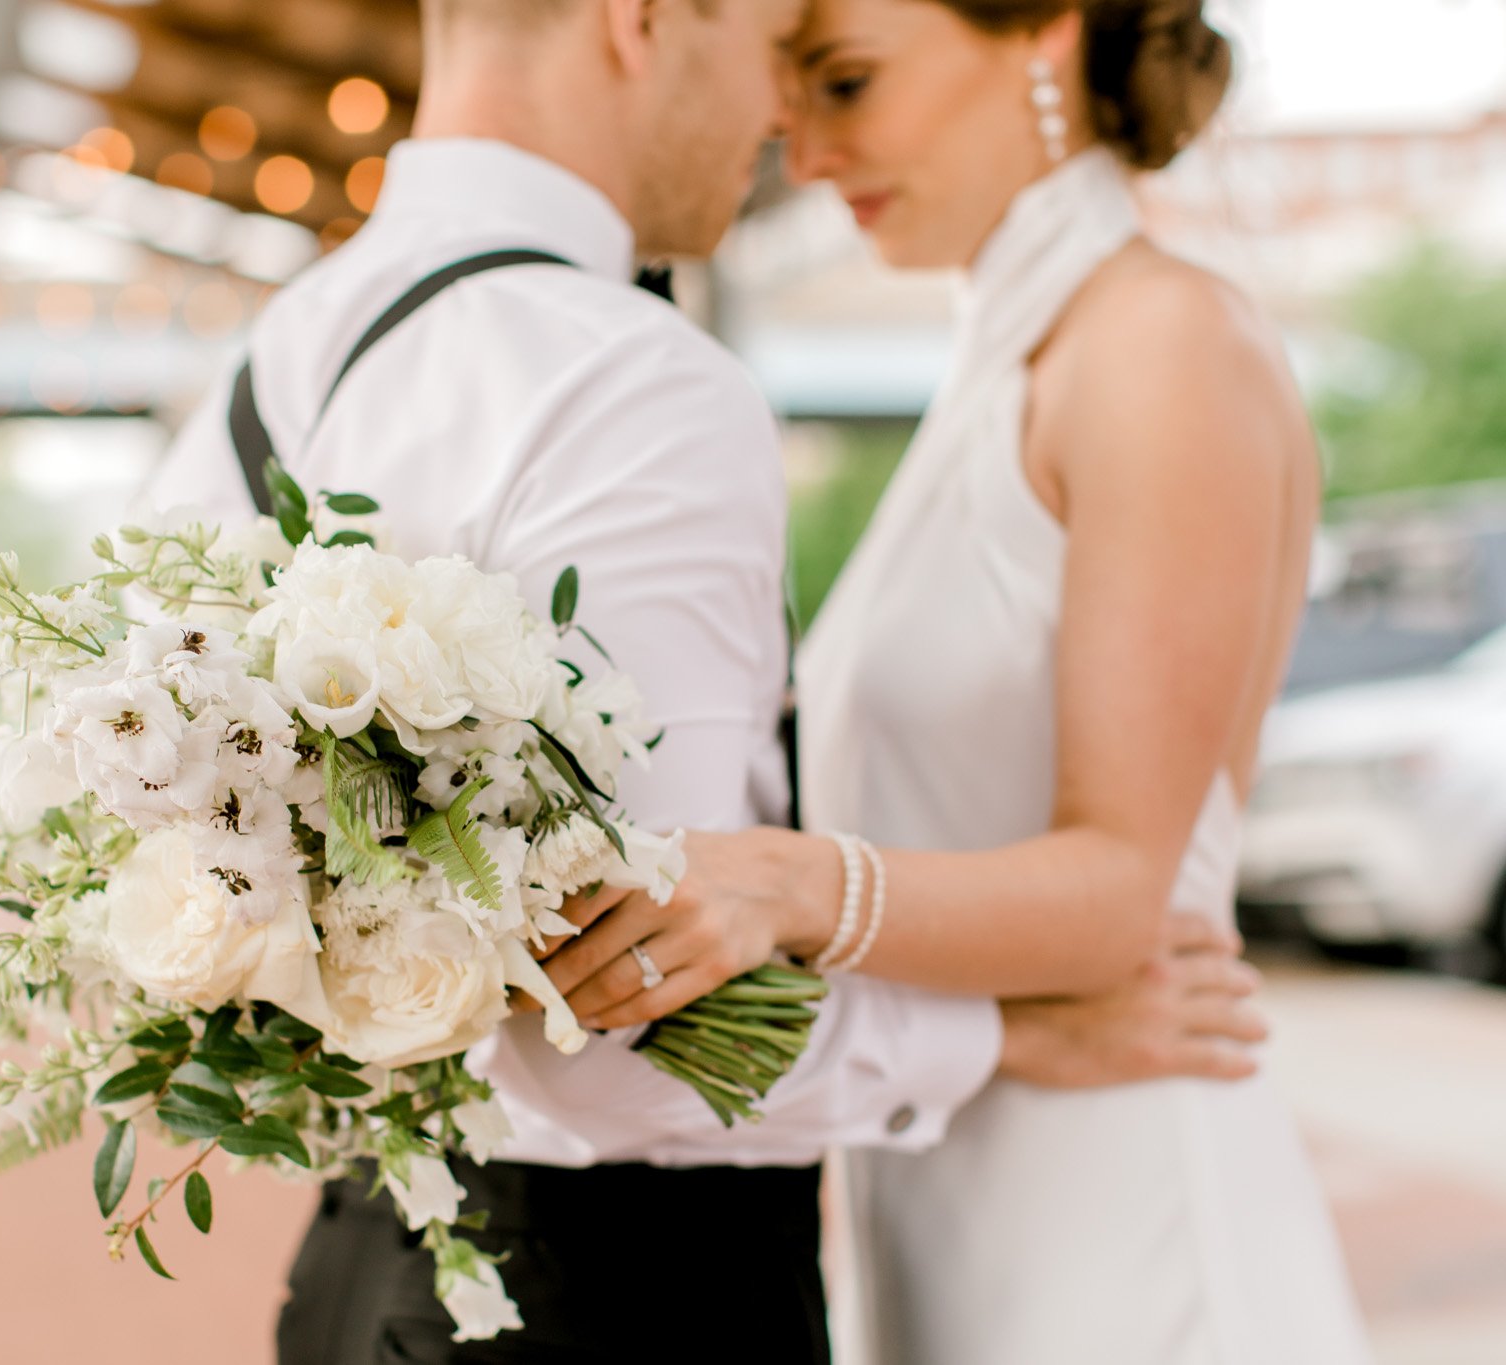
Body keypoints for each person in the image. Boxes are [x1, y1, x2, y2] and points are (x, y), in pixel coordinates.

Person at [139, 1, 1262, 1359]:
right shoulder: (632, 379)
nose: (785, 119)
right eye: (779, 49)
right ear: (647, 16)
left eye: (835, 71)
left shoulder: (276, 358)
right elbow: (620, 1026)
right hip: (616, 1295)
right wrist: (1002, 1036)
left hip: (360, 1266)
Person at [548, 2, 1373, 1361]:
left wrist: (789, 881)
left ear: (1045, 30)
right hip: (952, 1194)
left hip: (1128, 1219)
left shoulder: (1160, 342)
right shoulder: (1008, 360)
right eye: (790, 93)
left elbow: (1119, 886)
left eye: (848, 82)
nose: (801, 155)